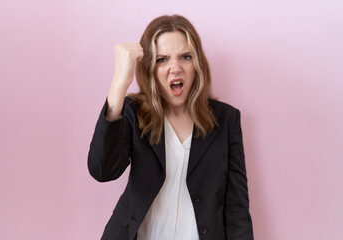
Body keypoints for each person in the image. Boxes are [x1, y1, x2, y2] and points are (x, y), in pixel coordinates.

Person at [88, 14, 254, 240]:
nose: (175, 68)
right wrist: (119, 84)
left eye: (185, 57)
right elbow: (102, 170)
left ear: (197, 64)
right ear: (149, 69)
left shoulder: (227, 119)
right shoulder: (133, 113)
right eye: (162, 59)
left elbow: (237, 210)